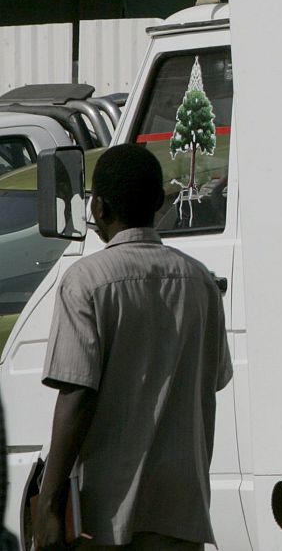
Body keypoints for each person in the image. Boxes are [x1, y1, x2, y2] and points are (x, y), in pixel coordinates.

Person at [31, 144, 232, 551]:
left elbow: (76, 396)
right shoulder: (199, 283)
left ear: (100, 209)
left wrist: (49, 503)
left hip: (106, 518)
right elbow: (214, 381)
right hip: (181, 515)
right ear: (160, 203)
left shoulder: (85, 281)